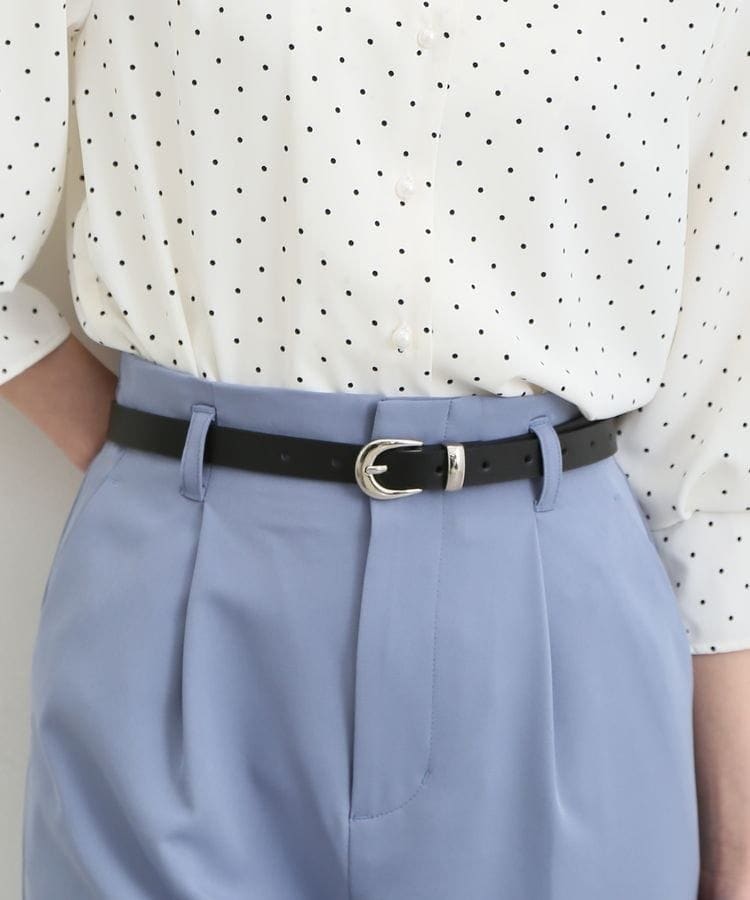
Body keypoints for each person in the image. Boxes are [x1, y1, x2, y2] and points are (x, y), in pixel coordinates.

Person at [1, 2, 749, 898]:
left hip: (558, 618)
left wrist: (735, 851)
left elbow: (713, 465)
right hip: (183, 581)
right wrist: (144, 449)